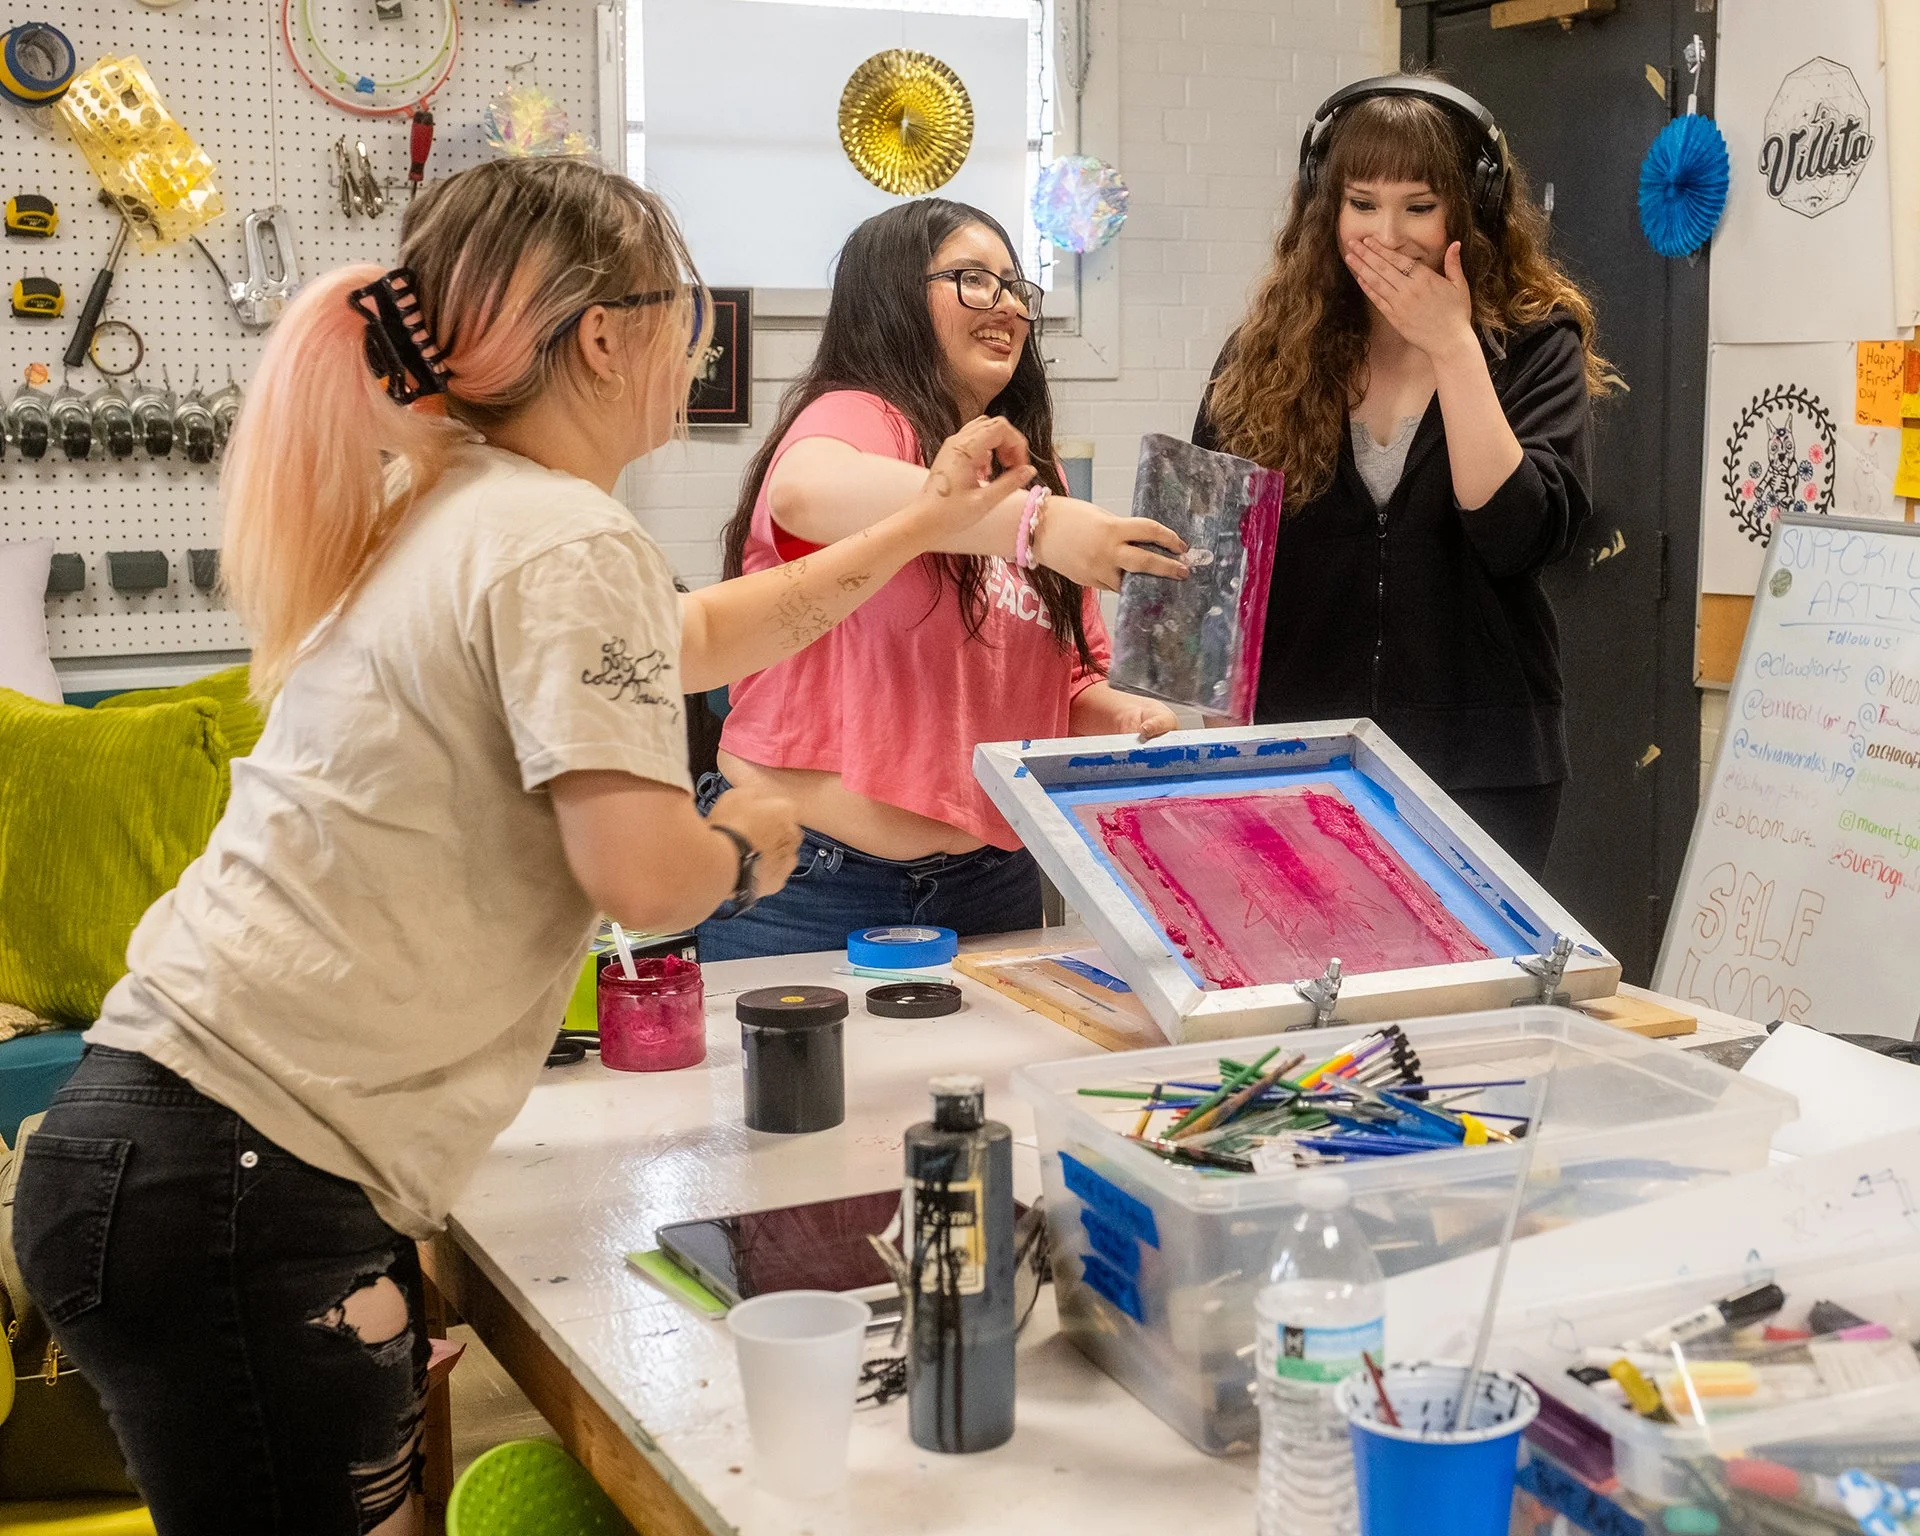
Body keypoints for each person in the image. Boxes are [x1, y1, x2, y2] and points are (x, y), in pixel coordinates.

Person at [12, 159, 1027, 1536]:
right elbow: (641, 879)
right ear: (605, 334)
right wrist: (745, 844)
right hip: (240, 1181)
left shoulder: (458, 510)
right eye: (689, 313)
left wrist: (925, 522)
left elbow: (706, 636)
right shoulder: (559, 539)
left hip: (180, 1152)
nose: (701, 344)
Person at [698, 198, 1190, 960]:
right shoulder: (859, 415)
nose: (1005, 306)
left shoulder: (1037, 475)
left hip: (993, 880)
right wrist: (1041, 526)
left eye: (1013, 285)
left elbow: (1061, 687)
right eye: (970, 279)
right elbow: (804, 491)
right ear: (892, 297)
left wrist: (1124, 718)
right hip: (810, 877)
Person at [1193, 76, 1613, 875]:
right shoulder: (1265, 353)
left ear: (1472, 207)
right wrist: (1232, 748)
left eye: (1419, 207)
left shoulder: (1533, 343)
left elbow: (1521, 537)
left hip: (1484, 766)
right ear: (1327, 206)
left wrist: (1454, 347)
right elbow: (1215, 563)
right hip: (1300, 759)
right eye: (1362, 203)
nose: (1388, 234)